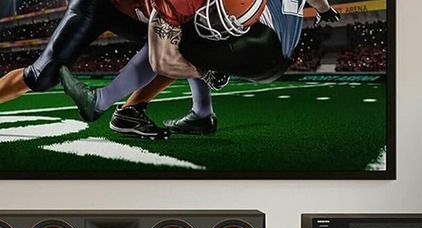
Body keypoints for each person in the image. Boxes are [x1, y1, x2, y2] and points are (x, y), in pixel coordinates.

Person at [60, 0, 340, 138]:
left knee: (181, 38)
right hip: (284, 51)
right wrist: (325, 10)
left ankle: (101, 100)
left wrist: (203, 72)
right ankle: (202, 115)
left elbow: (161, 61)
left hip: (260, 45)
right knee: (197, 37)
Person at [0, 0, 148, 107]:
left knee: (168, 46)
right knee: (42, 76)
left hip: (134, 13)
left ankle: (131, 110)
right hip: (97, 5)